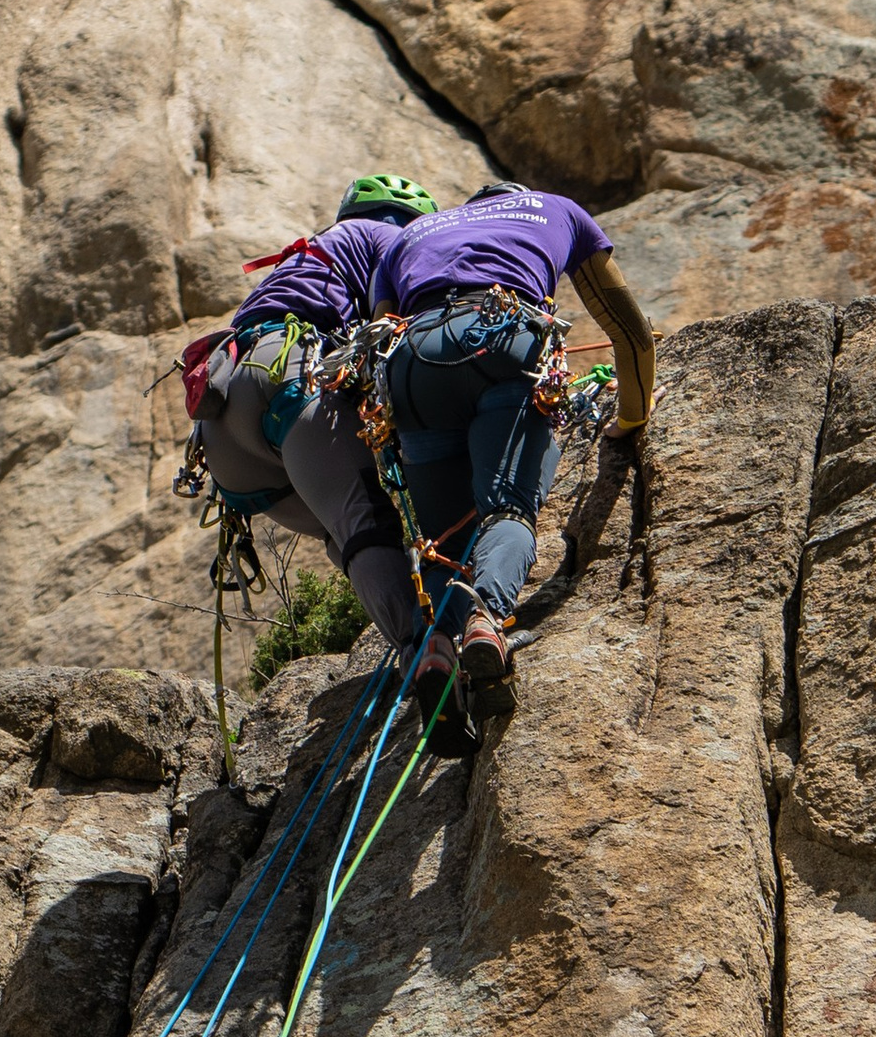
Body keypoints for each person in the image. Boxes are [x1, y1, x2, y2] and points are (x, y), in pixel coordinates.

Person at [369, 180, 656, 721]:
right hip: (505, 338)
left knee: (440, 539)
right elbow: (631, 331)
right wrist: (631, 417)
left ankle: (436, 649)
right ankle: (487, 618)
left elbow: (378, 333)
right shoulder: (558, 209)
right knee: (506, 508)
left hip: (413, 364)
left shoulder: (408, 236)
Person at [191, 175, 435, 661]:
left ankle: (415, 633)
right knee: (365, 523)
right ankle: (429, 651)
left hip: (225, 437)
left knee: (345, 531)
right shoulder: (384, 236)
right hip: (287, 378)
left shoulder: (305, 258)